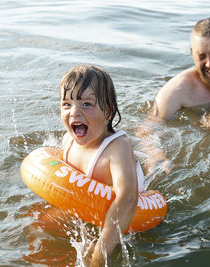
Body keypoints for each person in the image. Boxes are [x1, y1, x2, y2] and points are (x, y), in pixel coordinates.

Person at [59, 64, 144, 266]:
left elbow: (127, 199)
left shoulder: (117, 148)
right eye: (66, 104)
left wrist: (100, 251)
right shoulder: (67, 141)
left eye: (86, 104)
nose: (74, 113)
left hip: (134, 211)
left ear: (108, 112)